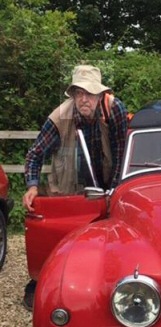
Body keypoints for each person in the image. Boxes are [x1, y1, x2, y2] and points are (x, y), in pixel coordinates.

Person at [22, 64, 129, 310]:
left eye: (89, 93)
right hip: (70, 190)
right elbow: (35, 154)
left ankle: (111, 285)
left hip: (106, 186)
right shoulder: (60, 117)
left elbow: (122, 154)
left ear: (100, 94)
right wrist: (32, 185)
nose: (83, 99)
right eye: (78, 93)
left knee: (110, 240)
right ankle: (41, 281)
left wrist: (113, 191)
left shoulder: (115, 111)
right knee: (61, 240)